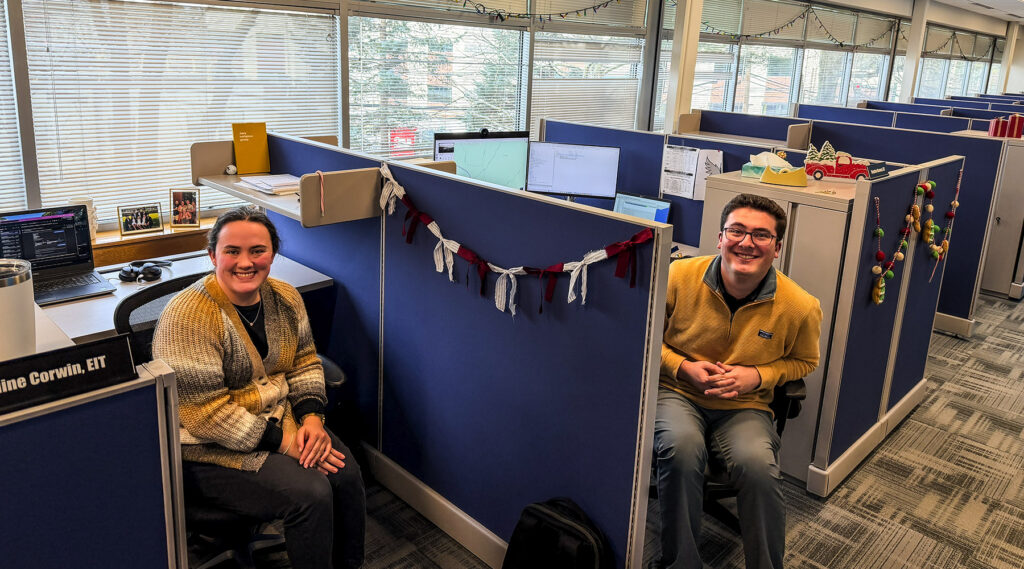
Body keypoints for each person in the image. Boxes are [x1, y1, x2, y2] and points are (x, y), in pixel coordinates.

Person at [152, 205, 366, 569]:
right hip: (208, 445)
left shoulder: (285, 297)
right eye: (232, 251)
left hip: (278, 419)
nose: (245, 262)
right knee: (311, 493)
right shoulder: (187, 317)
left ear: (272, 253)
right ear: (212, 255)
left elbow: (304, 362)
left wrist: (312, 419)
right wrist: (285, 443)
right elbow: (206, 415)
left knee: (346, 476)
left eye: (257, 251)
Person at [654, 193, 822, 569]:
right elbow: (644, 337)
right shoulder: (677, 276)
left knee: (758, 467)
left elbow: (805, 361)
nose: (746, 243)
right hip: (678, 393)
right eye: (737, 231)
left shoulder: (800, 306)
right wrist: (682, 367)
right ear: (720, 238)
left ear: (777, 248)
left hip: (744, 405)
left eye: (761, 235)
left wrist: (758, 376)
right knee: (681, 449)